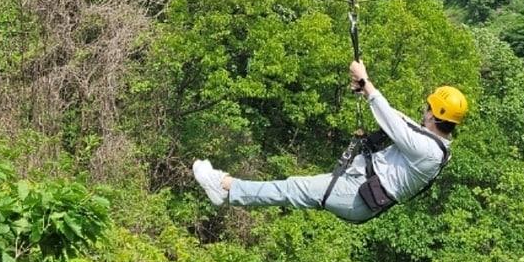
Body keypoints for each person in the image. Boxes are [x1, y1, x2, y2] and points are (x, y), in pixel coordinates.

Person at [192, 60, 467, 222]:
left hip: (358, 195)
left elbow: (395, 125)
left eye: (428, 107)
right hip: (359, 188)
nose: (423, 110)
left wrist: (367, 83)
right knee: (294, 187)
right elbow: (403, 121)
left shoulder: (429, 151)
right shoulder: (435, 144)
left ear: (434, 114)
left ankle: (226, 188)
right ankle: (228, 188)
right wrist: (364, 89)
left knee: (293, 188)